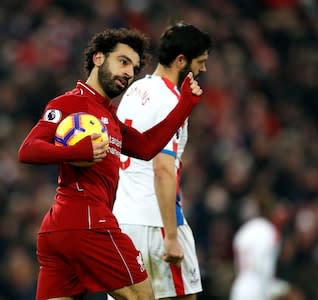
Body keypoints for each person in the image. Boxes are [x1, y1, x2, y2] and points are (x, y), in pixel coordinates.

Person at [17, 28, 204, 300]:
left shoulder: (109, 116)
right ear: (98, 58)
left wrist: (185, 105)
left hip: (60, 229)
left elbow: (147, 147)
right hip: (89, 221)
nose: (129, 73)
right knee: (141, 297)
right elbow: (28, 150)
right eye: (123, 61)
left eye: (135, 68)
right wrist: (73, 151)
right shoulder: (69, 103)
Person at [111, 23, 211, 300]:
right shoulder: (170, 101)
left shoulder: (134, 91)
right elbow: (163, 169)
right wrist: (170, 236)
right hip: (157, 225)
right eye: (200, 62)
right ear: (181, 61)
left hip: (123, 224)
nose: (203, 70)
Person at [229, 197, 290, 300]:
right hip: (257, 288)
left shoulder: (244, 230)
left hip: (239, 286)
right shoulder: (268, 230)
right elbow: (264, 267)